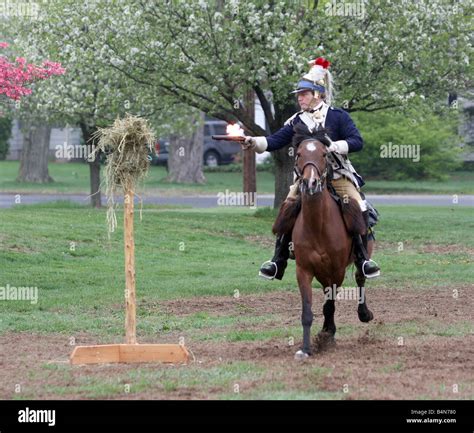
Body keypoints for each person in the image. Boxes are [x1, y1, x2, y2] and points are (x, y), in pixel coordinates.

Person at [243, 57, 380, 281]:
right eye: (298, 94)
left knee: (358, 204)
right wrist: (253, 141)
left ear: (318, 94)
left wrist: (334, 146)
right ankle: (278, 260)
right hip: (306, 178)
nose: (299, 98)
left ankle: (363, 259)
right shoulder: (296, 121)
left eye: (304, 94)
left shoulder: (338, 116)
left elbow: (357, 141)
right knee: (287, 207)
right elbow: (274, 141)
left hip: (337, 175)